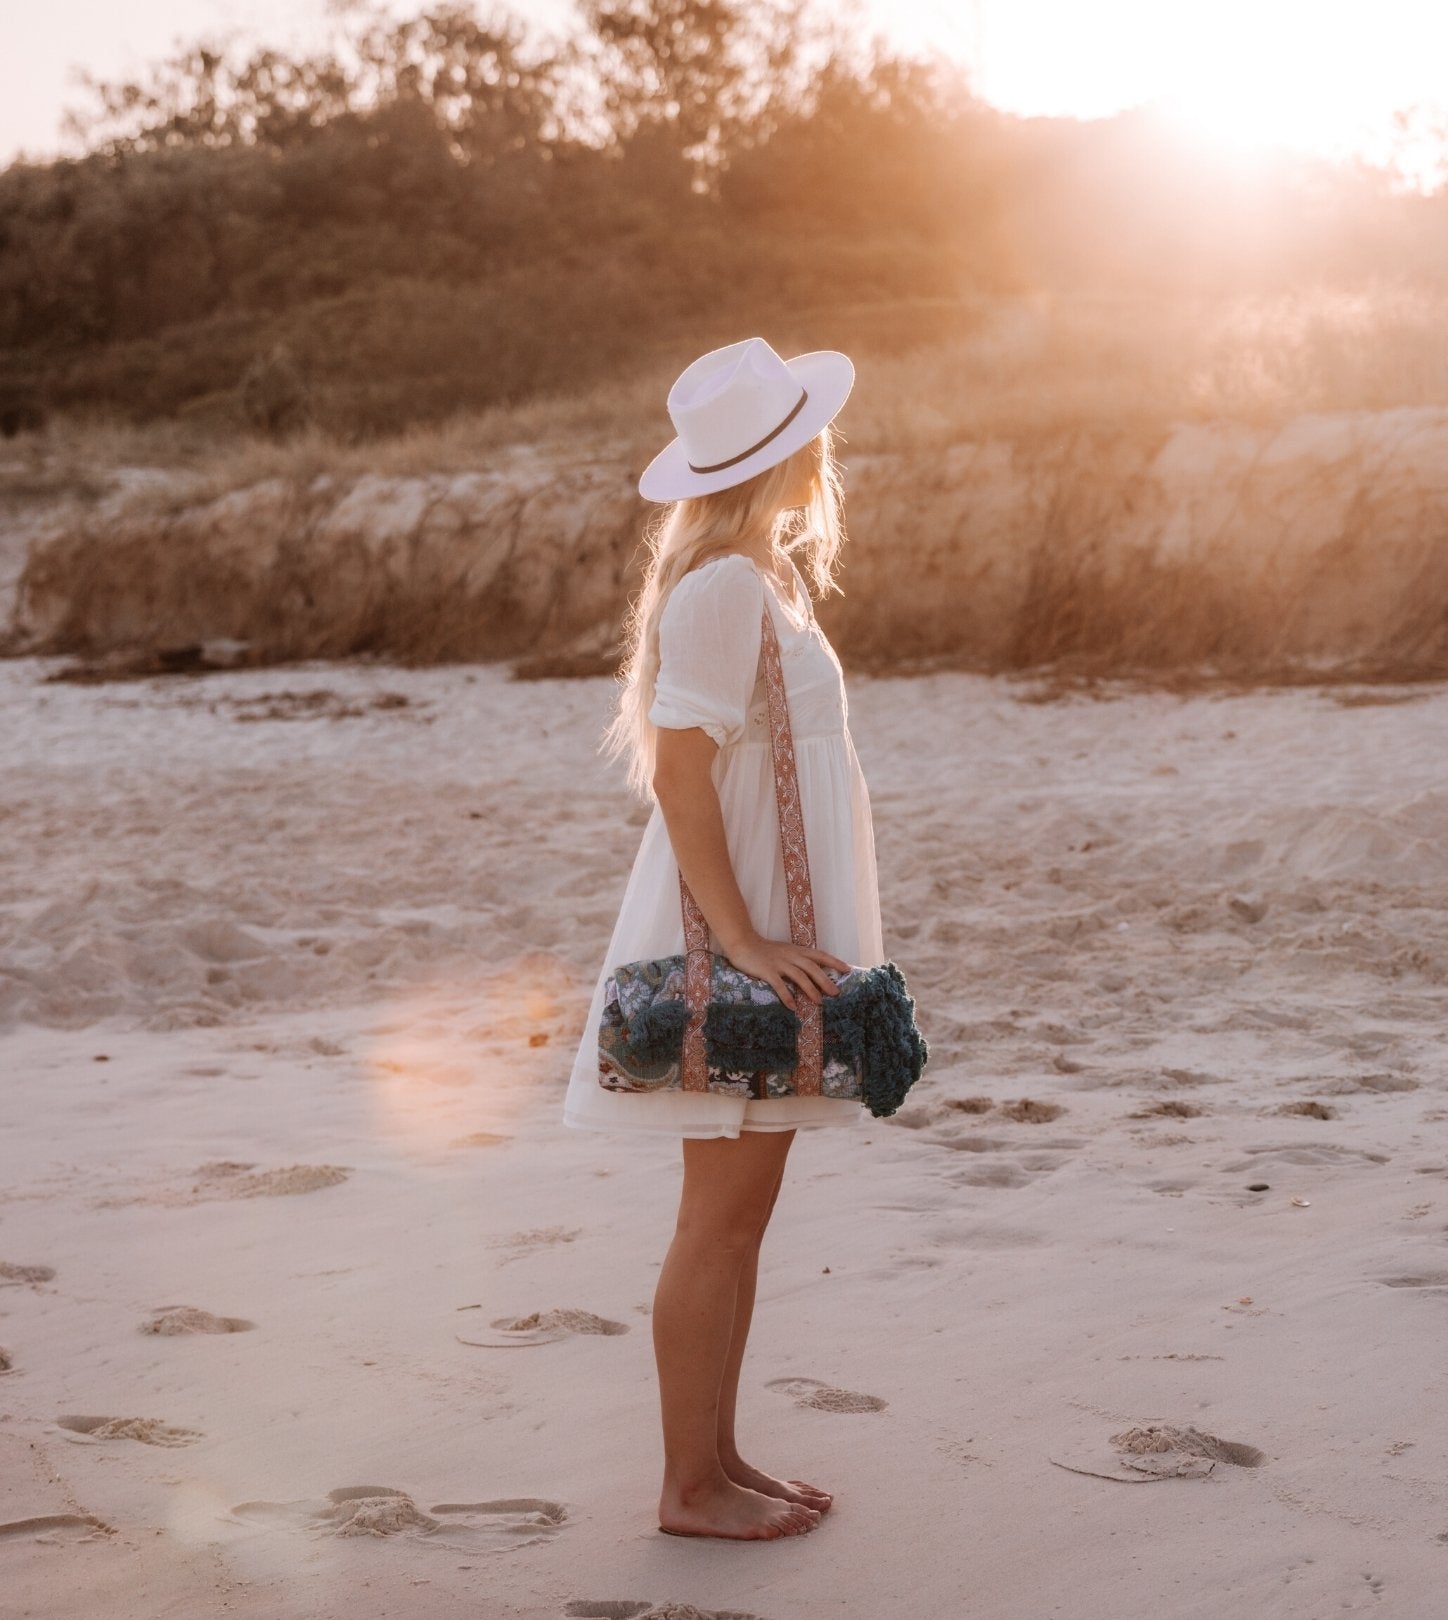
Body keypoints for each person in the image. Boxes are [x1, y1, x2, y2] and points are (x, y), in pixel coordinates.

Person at [561, 336, 885, 1540]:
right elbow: (683, 777)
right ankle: (686, 1487)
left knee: (743, 1214)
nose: (824, 446)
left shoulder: (766, 579)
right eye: (811, 430)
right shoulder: (724, 590)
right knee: (717, 1214)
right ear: (792, 453)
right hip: (731, 926)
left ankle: (719, 1456)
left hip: (766, 919)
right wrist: (746, 941)